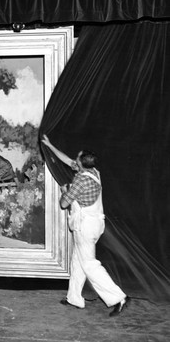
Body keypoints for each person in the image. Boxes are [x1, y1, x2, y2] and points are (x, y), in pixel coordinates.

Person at [41, 134, 130, 317]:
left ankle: (118, 297)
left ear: (81, 162)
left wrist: (64, 190)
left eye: (77, 158)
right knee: (77, 261)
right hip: (96, 224)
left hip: (85, 227)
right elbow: (67, 160)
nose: (74, 160)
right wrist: (50, 144)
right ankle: (74, 298)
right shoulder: (94, 172)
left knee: (89, 264)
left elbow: (64, 204)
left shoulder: (81, 180)